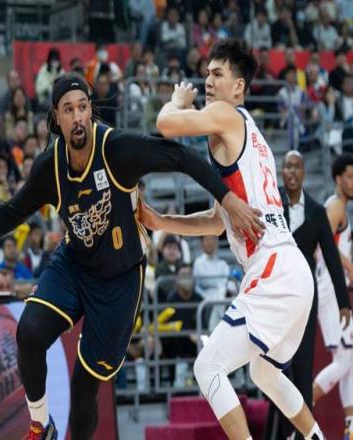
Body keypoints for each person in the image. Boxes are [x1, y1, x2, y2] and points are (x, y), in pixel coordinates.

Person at [0, 72, 263, 439]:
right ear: (56, 118)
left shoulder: (117, 149)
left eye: (83, 107)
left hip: (120, 280)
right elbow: (11, 212)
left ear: (90, 110)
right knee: (28, 333)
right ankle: (41, 426)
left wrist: (228, 200)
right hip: (75, 264)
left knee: (83, 389)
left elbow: (181, 156)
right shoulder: (49, 167)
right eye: (68, 110)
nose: (77, 117)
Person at [139, 39, 324, 440]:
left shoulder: (225, 114)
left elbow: (166, 125)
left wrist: (177, 100)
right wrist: (162, 220)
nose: (207, 80)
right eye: (206, 73)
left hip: (273, 269)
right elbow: (218, 221)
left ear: (238, 87)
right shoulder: (249, 135)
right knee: (264, 372)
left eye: (217, 74)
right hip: (290, 269)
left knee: (207, 367)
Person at [265, 150, 350, 439]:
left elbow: (331, 257)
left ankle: (300, 434)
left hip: (305, 299)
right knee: (273, 368)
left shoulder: (315, 211)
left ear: (303, 173)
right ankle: (282, 432)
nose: (291, 171)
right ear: (281, 171)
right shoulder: (271, 204)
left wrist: (344, 303)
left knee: (303, 367)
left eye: (297, 167)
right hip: (274, 297)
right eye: (287, 166)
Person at [313, 153, 353, 438]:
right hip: (328, 288)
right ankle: (300, 408)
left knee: (349, 360)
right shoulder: (336, 205)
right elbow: (322, 241)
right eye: (350, 177)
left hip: (333, 288)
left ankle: (350, 428)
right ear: (338, 178)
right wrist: (350, 266)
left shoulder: (341, 208)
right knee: (343, 361)